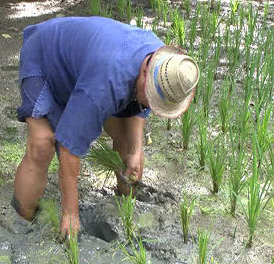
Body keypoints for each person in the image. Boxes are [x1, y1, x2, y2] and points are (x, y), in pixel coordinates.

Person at [12, 16, 199, 237]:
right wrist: (70, 214)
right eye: (150, 97)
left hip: (89, 69)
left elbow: (138, 107)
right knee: (42, 143)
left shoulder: (167, 66)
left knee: (127, 144)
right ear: (145, 73)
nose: (150, 104)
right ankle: (22, 218)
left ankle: (125, 196)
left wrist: (135, 150)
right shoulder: (106, 82)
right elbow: (69, 148)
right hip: (45, 57)